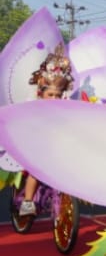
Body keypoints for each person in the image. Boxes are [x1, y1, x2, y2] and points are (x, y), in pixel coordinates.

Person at [18, 46, 74, 216]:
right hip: (37, 147)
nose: (54, 98)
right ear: (41, 93)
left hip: (56, 148)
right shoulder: (33, 108)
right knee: (36, 171)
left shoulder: (64, 110)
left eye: (58, 95)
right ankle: (27, 202)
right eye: (50, 94)